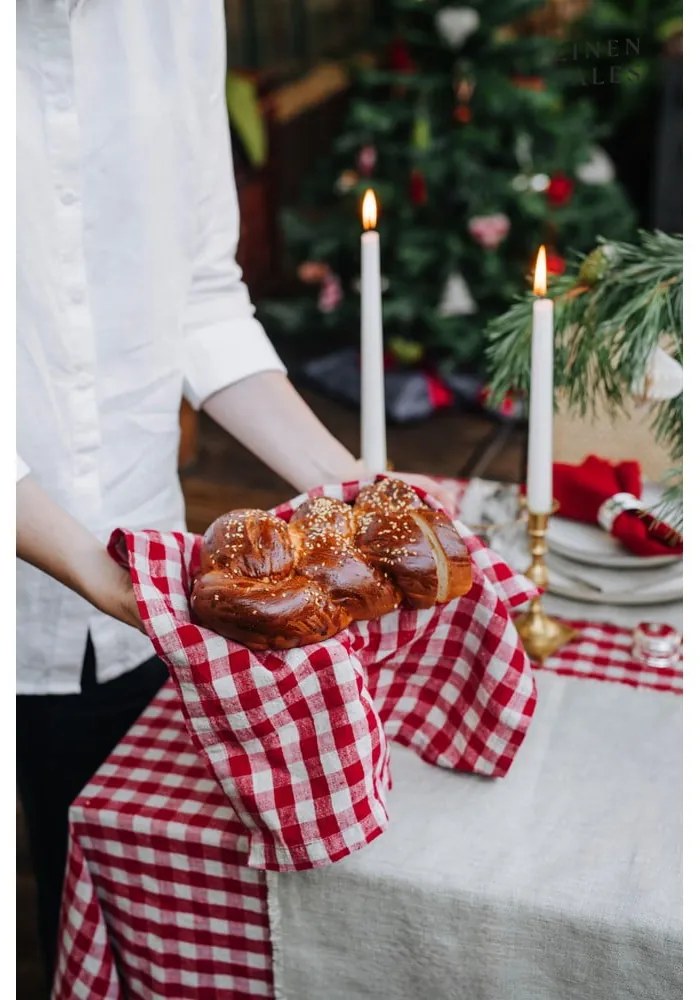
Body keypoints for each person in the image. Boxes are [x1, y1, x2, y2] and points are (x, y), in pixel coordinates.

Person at [16, 0, 454, 986]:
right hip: (77, 576)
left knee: (103, 881)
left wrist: (349, 481)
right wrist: (88, 565)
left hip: (142, 584)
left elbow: (200, 291)